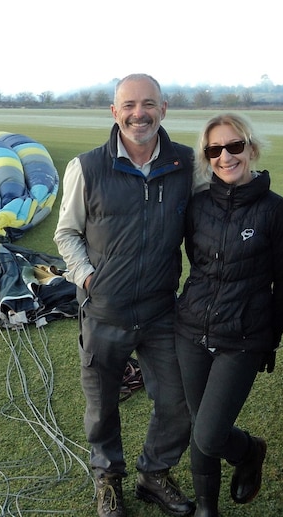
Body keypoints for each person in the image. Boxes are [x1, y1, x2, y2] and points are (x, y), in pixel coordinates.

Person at [54, 74, 195, 517]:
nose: (140, 113)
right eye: (129, 105)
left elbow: (216, 214)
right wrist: (89, 278)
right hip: (104, 311)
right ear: (115, 113)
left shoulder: (187, 165)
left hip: (161, 312)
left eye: (149, 104)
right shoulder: (87, 167)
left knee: (178, 400)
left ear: (164, 109)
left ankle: (154, 473)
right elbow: (67, 232)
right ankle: (107, 478)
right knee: (101, 408)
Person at [175, 113, 283, 517]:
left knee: (210, 434)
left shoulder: (277, 212)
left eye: (234, 146)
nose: (225, 156)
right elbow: (197, 264)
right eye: (214, 150)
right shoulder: (196, 205)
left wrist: (270, 340)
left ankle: (250, 450)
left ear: (251, 148)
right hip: (191, 329)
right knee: (200, 426)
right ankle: (208, 509)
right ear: (206, 157)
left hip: (243, 337)